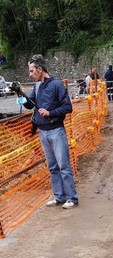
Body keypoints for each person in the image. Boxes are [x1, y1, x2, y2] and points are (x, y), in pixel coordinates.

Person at [20, 54, 78, 209]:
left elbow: (68, 107)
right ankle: (59, 196)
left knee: (63, 165)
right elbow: (28, 105)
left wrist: (51, 113)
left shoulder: (57, 85)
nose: (30, 74)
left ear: (40, 69)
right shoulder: (37, 86)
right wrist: (20, 94)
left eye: (32, 71)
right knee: (52, 167)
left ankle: (72, 198)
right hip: (43, 132)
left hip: (56, 131)